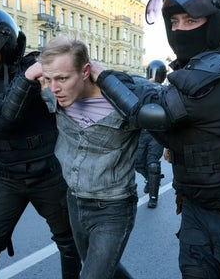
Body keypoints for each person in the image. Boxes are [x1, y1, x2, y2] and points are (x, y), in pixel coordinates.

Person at [92, 0, 220, 278]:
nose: (179, 29)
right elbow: (161, 97)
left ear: (217, 20)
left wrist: (103, 77)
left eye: (190, 21)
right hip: (195, 207)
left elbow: (155, 112)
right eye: (175, 22)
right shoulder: (193, 71)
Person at [0, 7, 81, 279]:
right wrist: (28, 79)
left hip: (49, 176)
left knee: (77, 248)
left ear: (4, 44)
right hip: (8, 180)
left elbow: (78, 77)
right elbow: (1, 120)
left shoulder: (36, 67)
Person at [14, 36, 140, 278]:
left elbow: (166, 121)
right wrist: (31, 73)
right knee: (103, 270)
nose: (54, 88)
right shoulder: (54, 96)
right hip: (75, 201)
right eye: (49, 79)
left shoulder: (123, 101)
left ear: (85, 72)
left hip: (113, 207)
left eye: (62, 78)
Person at [135, 59, 167, 208]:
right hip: (142, 131)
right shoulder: (140, 86)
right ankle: (151, 179)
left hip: (157, 133)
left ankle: (153, 196)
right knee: (138, 163)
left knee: (153, 165)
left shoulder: (166, 91)